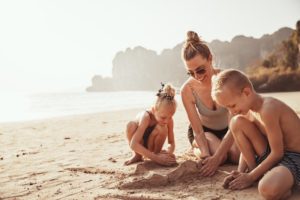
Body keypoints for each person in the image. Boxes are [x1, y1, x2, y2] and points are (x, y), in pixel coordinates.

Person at [211, 69, 300, 199]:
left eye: (233, 105)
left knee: (267, 189)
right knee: (236, 123)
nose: (232, 111)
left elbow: (277, 153)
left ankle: (270, 181)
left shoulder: (268, 109)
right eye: (227, 108)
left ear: (246, 92)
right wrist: (240, 172)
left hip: (294, 158)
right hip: (275, 157)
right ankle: (258, 175)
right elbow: (244, 147)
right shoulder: (248, 110)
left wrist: (250, 176)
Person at [180, 31, 240, 176]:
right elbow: (198, 131)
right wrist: (207, 156)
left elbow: (234, 126)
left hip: (229, 128)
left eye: (200, 70)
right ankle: (195, 147)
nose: (197, 76)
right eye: (191, 73)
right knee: (221, 158)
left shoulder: (228, 80)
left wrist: (217, 156)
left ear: (210, 59)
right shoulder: (187, 90)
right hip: (204, 131)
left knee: (235, 156)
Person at [124, 83, 177, 166]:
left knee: (162, 128)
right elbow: (133, 144)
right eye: (163, 117)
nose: (166, 121)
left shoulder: (168, 119)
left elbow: (171, 142)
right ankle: (138, 156)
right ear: (154, 109)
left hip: (153, 148)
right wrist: (158, 159)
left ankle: (157, 153)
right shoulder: (146, 117)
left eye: (170, 117)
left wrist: (168, 152)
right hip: (140, 146)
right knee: (130, 125)